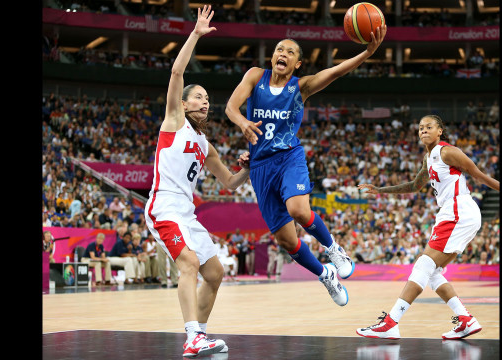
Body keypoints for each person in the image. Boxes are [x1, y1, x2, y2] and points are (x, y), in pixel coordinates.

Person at [224, 23, 387, 306]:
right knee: (287, 242)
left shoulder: (300, 86)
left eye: (289, 51)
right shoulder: (254, 76)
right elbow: (230, 107)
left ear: (297, 63)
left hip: (288, 157)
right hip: (260, 167)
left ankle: (334, 249)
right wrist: (243, 123)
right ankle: (326, 274)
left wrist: (367, 53)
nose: (282, 53)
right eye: (279, 49)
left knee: (298, 209)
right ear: (272, 57)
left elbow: (335, 72)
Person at [142, 6, 251, 357]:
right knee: (188, 263)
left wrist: (246, 168)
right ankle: (191, 336)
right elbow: (176, 70)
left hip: (187, 213)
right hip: (163, 206)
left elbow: (231, 183)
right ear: (185, 103)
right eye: (199, 96)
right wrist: (196, 34)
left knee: (216, 272)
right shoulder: (173, 120)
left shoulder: (206, 144)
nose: (206, 101)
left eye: (207, 98)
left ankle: (199, 335)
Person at [355, 114, 500, 340]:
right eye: (420, 127)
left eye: (428, 127)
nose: (423, 130)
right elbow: (414, 186)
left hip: (458, 211)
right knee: (433, 273)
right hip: (453, 213)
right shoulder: (429, 157)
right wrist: (381, 190)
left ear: (440, 131)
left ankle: (391, 322)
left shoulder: (447, 152)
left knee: (424, 264)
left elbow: (478, 174)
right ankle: (466, 320)